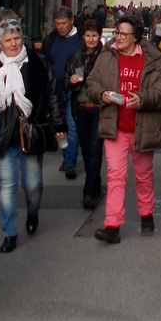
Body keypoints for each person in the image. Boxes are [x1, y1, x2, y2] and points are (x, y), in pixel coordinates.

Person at [86, 15, 161, 244]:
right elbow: (92, 82)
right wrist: (101, 94)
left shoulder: (153, 59)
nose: (119, 38)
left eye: (124, 34)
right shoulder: (107, 55)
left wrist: (142, 99)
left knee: (143, 174)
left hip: (142, 126)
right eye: (117, 33)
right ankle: (112, 224)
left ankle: (146, 213)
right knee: (115, 175)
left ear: (136, 37)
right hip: (115, 125)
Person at [0, 18, 65, 252]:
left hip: (30, 129)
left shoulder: (37, 62)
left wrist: (59, 122)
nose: (13, 44)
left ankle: (32, 212)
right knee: (6, 185)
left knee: (32, 185)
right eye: (8, 40)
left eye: (17, 38)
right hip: (3, 133)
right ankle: (9, 233)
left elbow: (53, 91)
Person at [64, 21, 109, 210]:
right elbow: (65, 80)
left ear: (100, 37)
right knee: (87, 150)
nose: (91, 40)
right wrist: (71, 81)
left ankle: (89, 192)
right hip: (81, 107)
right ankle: (96, 185)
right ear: (83, 36)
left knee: (95, 149)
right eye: (88, 36)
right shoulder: (75, 57)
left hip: (99, 108)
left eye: (94, 36)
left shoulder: (106, 57)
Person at [38, 9, 82, 180]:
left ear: (72, 21)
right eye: (58, 23)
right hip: (55, 90)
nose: (61, 27)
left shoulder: (80, 39)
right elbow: (45, 63)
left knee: (71, 124)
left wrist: (78, 79)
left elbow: (83, 61)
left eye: (64, 23)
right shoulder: (51, 40)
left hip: (73, 89)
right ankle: (65, 156)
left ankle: (70, 162)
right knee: (59, 126)